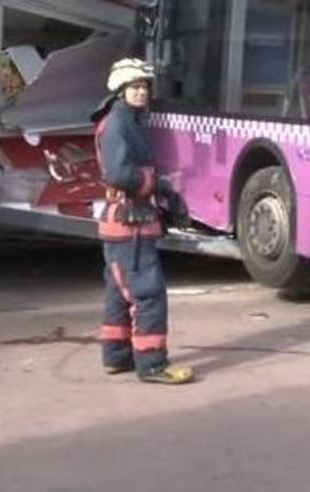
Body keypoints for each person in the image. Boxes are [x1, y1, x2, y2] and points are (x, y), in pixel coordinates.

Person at [89, 57, 194, 385]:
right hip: (129, 224)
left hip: (125, 221)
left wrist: (163, 192)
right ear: (120, 90)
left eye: (145, 86)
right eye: (134, 86)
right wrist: (152, 180)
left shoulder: (129, 120)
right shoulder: (119, 124)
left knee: (119, 293)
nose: (141, 92)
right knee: (148, 292)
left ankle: (117, 356)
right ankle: (152, 364)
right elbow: (119, 174)